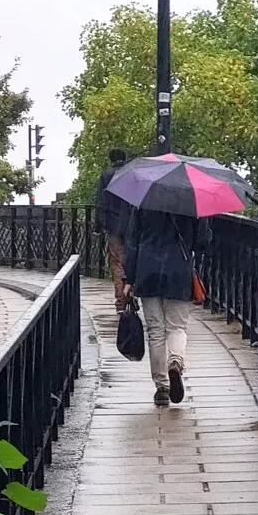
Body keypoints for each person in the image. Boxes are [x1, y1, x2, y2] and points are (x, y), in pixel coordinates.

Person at [122, 209, 211, 406]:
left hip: (147, 271)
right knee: (177, 327)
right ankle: (175, 362)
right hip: (179, 271)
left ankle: (162, 387)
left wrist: (128, 277)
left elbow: (132, 242)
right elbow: (203, 242)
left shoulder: (144, 202)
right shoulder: (192, 204)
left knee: (155, 331)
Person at [95, 149, 131, 312]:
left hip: (113, 225)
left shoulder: (106, 176)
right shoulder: (132, 174)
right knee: (131, 260)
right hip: (131, 226)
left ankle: (120, 300)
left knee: (117, 262)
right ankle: (130, 294)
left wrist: (99, 226)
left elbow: (101, 203)